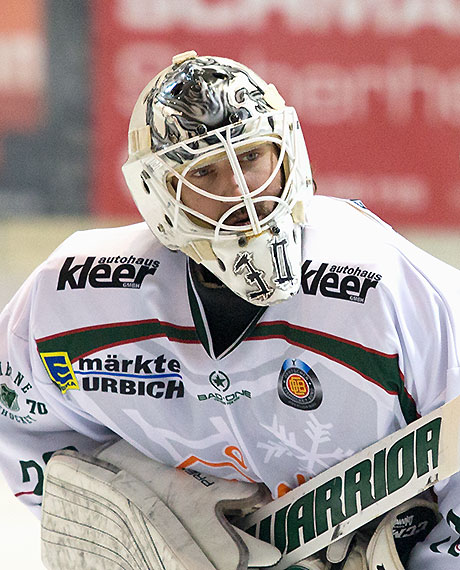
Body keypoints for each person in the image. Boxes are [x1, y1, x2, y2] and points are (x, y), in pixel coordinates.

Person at [0, 50, 460, 569]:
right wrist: (146, 521)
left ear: (286, 151)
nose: (240, 192)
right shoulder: (75, 298)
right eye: (206, 172)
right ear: (161, 194)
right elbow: (19, 417)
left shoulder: (390, 289)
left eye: (251, 156)